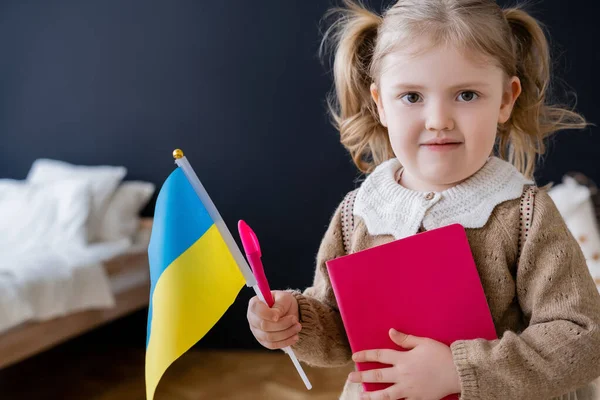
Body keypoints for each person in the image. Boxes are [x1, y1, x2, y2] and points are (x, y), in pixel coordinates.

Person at [246, 1, 600, 398]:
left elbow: (582, 337)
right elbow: (337, 330)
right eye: (412, 97)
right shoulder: (359, 212)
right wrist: (294, 320)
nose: (438, 120)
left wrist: (459, 371)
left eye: (466, 94)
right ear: (379, 102)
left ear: (505, 99)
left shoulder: (524, 214)